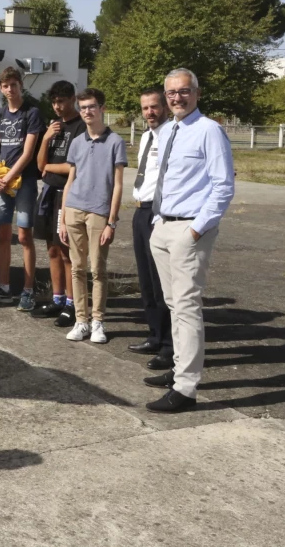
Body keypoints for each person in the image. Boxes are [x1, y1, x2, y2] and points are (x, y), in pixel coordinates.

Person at [146, 68, 234, 413]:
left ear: (196, 93)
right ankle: (178, 370)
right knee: (174, 305)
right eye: (171, 93)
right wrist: (157, 220)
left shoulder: (209, 130)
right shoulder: (168, 130)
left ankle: (186, 388)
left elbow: (223, 185)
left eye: (183, 92)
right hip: (163, 226)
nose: (176, 98)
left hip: (188, 231)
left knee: (186, 308)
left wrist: (196, 229)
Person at [58, 88, 127, 345]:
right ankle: (81, 321)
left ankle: (98, 321)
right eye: (83, 107)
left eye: (92, 106)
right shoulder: (76, 142)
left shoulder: (115, 142)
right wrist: (63, 217)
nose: (87, 111)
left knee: (98, 270)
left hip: (99, 212)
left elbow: (118, 185)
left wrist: (112, 221)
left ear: (102, 109)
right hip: (74, 209)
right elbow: (70, 181)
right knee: (77, 268)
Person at [0, 67, 44, 310]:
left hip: (24, 182)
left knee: (25, 236)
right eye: (5, 86)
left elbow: (28, 153)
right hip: (0, 183)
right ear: (1, 88)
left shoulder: (32, 113)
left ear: (20, 85)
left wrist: (8, 177)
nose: (10, 90)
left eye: (14, 85)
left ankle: (28, 290)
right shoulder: (0, 115)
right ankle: (4, 287)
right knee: (3, 235)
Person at [128, 87, 175, 371]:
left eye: (155, 107)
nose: (150, 113)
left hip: (160, 214)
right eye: (145, 108)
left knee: (162, 285)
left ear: (165, 107)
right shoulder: (146, 136)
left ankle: (170, 346)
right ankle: (154, 335)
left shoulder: (173, 135)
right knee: (145, 281)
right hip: (140, 209)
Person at [32, 80, 85, 326]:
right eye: (54, 102)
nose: (57, 107)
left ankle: (73, 304)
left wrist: (48, 167)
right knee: (51, 248)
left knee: (66, 251)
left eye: (61, 101)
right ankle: (57, 298)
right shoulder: (53, 127)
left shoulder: (81, 127)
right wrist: (45, 139)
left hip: (68, 192)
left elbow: (74, 167)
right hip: (49, 193)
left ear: (72, 99)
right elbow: (39, 164)